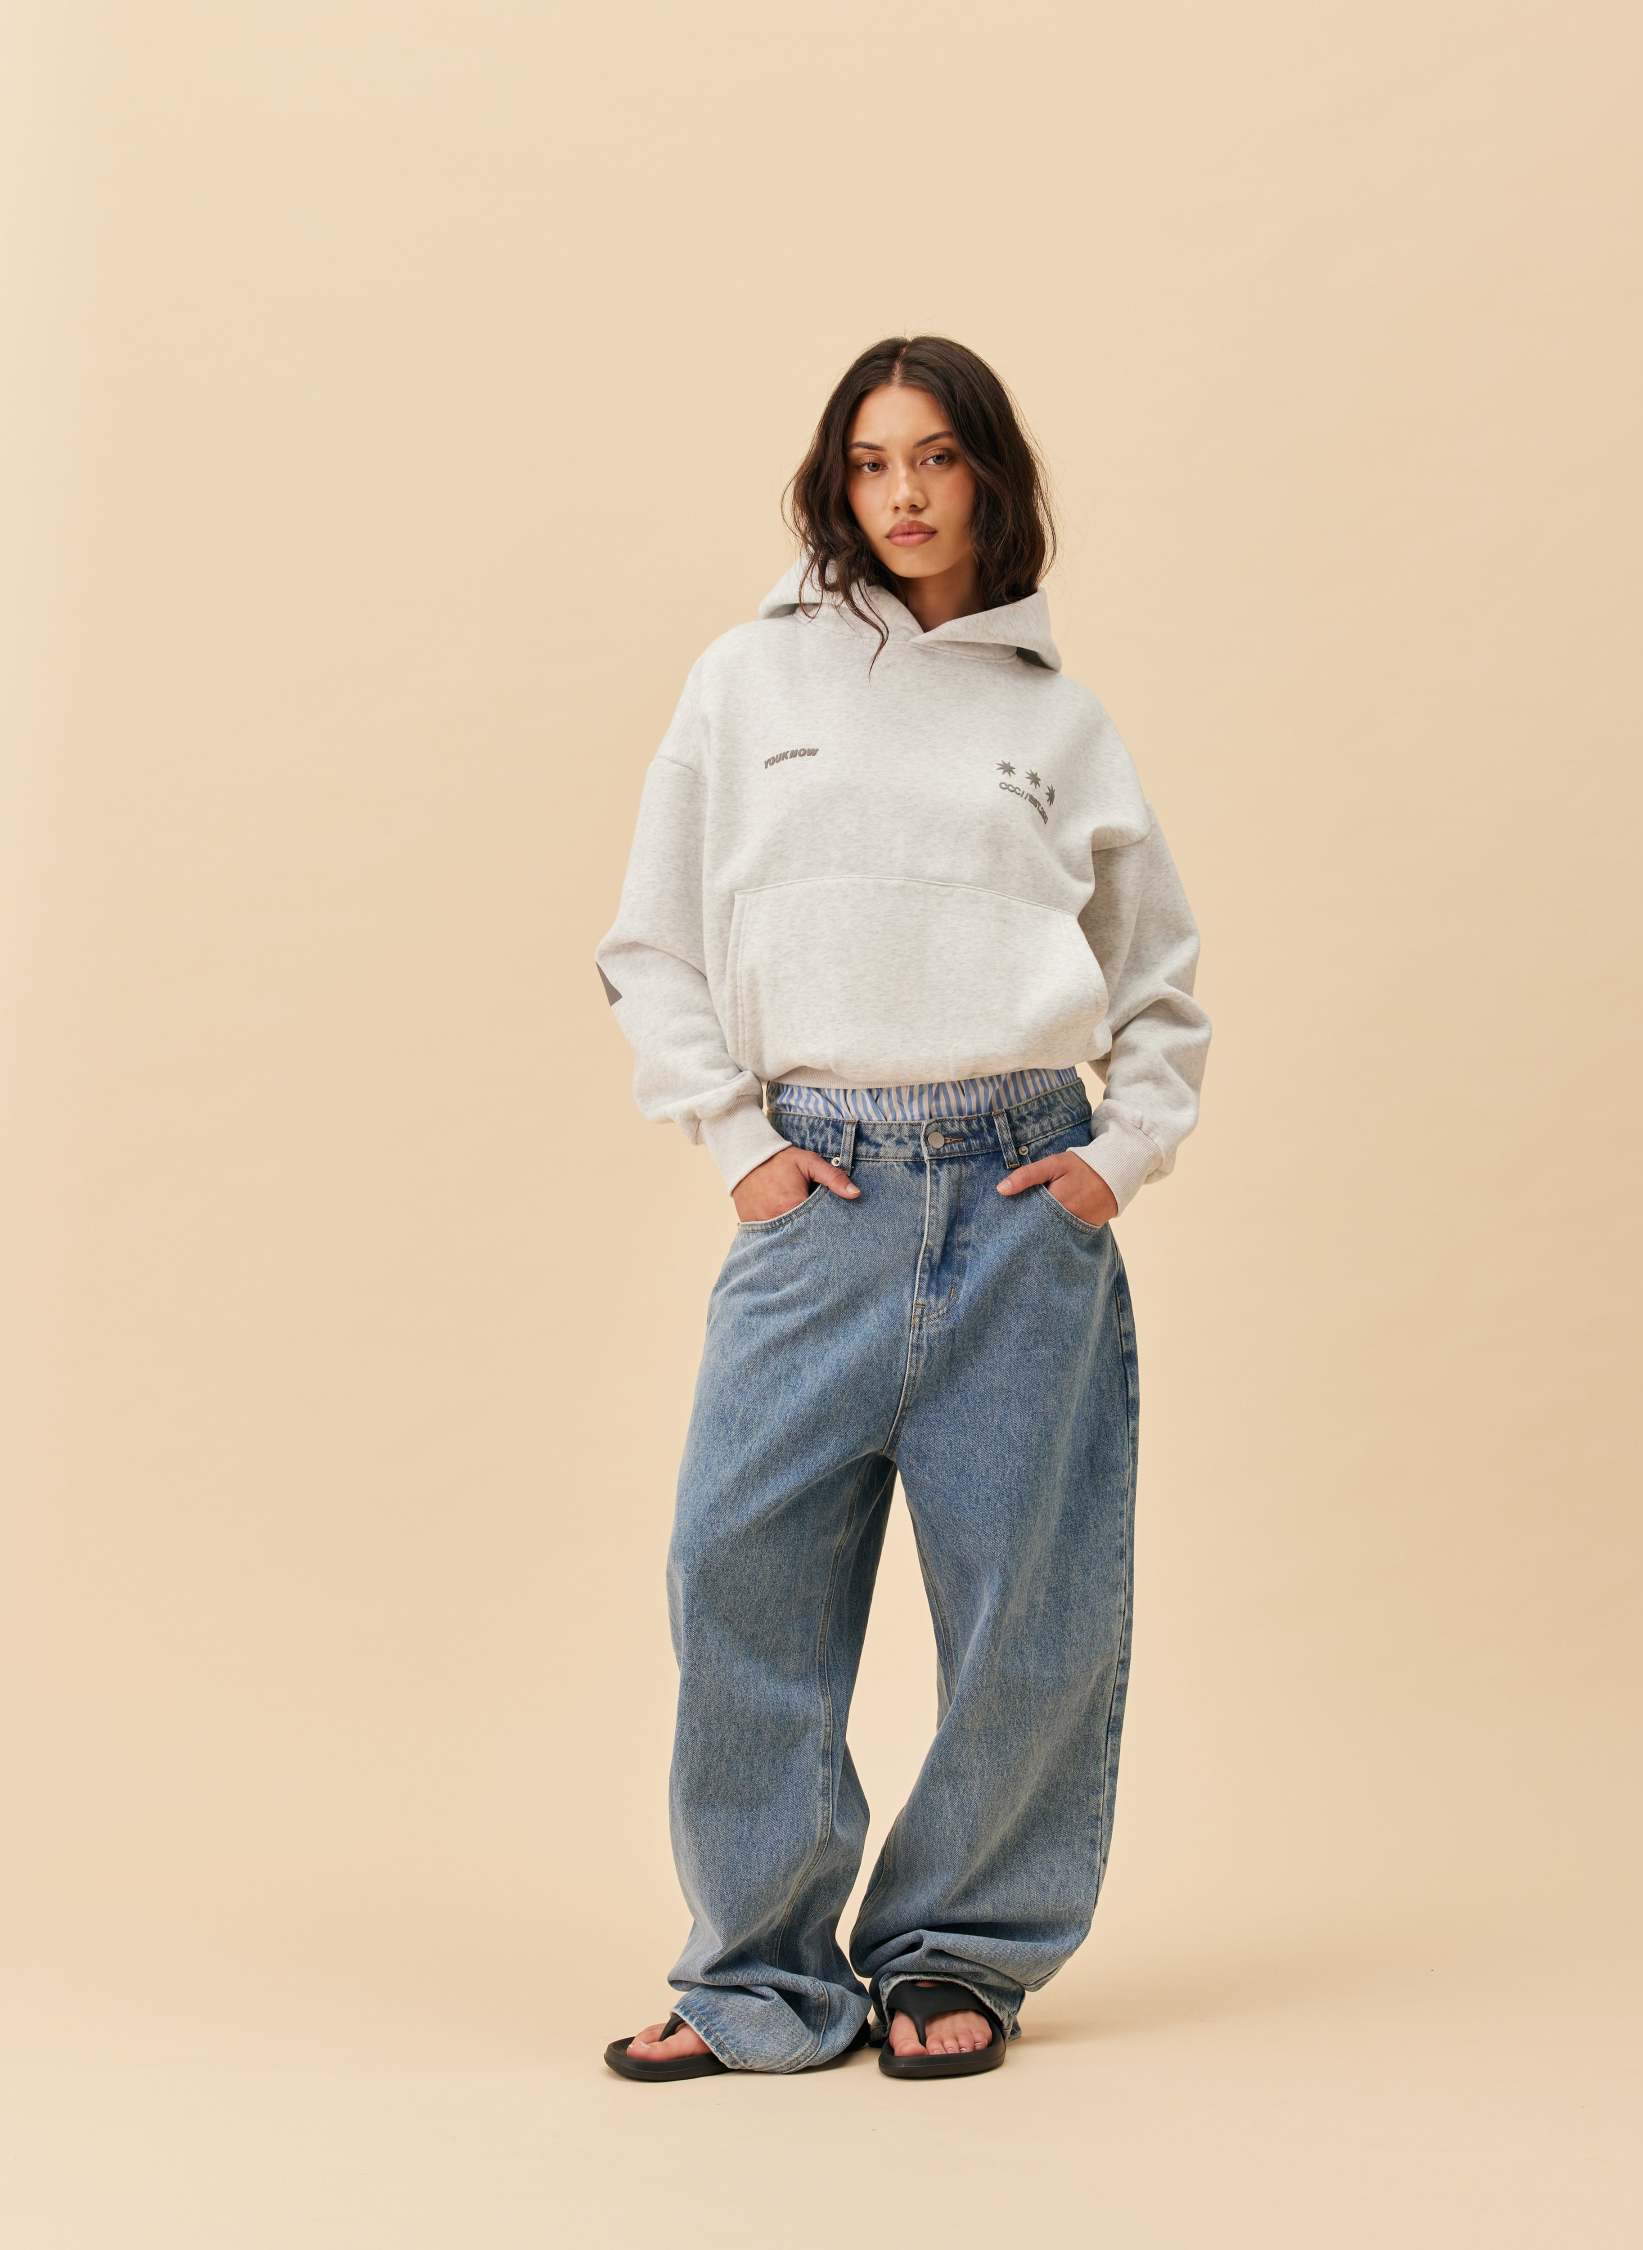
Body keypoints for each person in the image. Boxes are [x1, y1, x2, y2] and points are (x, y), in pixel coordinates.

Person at [593, 335, 1213, 2082]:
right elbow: (650, 943)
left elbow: (1160, 985)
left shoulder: (1057, 721)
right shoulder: (748, 680)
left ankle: (959, 1951)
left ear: (991, 477)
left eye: (936, 457)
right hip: (822, 1191)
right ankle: (755, 1973)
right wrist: (738, 1141)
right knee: (739, 1568)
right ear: (835, 483)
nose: (906, 494)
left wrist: (1117, 1158)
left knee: (1031, 1604)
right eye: (872, 463)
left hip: (1022, 1197)